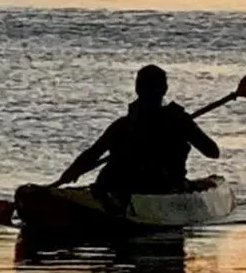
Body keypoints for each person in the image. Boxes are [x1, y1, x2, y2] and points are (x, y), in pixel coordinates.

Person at [53, 64, 220, 206]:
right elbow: (213, 152)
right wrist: (187, 126)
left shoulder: (122, 125)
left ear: (137, 89)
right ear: (164, 89)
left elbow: (92, 154)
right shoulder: (177, 121)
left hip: (121, 186)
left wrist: (72, 171)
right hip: (156, 187)